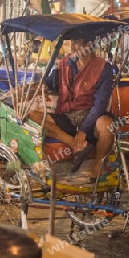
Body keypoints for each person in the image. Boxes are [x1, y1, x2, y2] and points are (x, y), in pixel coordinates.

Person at [30, 39, 114, 182]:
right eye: (71, 42)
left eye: (76, 42)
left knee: (107, 126)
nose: (72, 46)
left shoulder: (103, 67)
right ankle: (76, 146)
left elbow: (100, 104)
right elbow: (49, 84)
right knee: (33, 117)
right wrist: (29, 88)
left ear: (89, 44)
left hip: (90, 116)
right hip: (66, 116)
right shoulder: (64, 63)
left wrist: (84, 130)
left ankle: (97, 167)